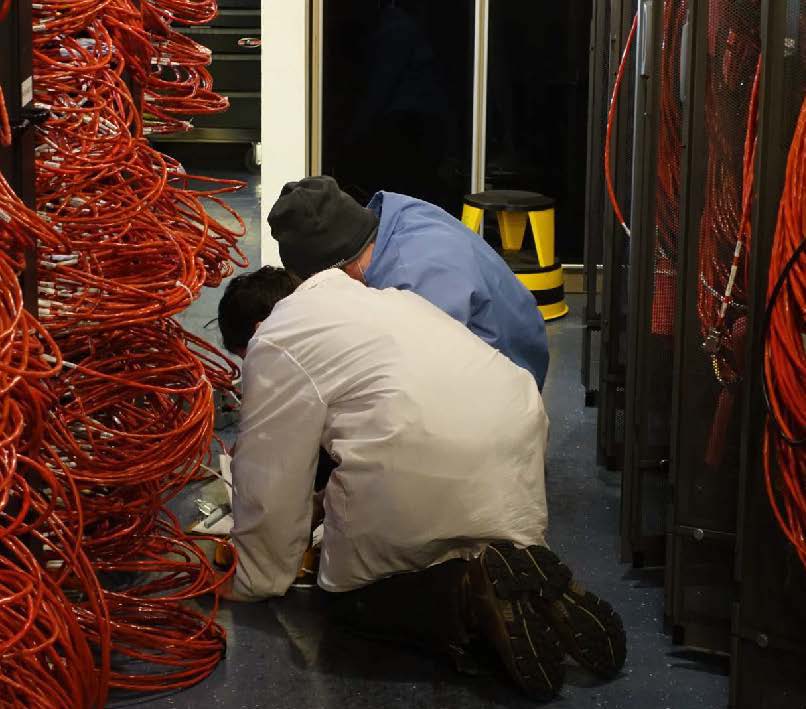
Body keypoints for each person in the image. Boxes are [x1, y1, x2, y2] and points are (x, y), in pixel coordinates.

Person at [216, 265, 625, 701]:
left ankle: (469, 599)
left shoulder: (275, 338)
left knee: (350, 600)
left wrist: (252, 578)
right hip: (514, 423)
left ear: (256, 329)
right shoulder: (376, 300)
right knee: (467, 546)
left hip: (425, 445)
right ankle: (524, 589)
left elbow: (270, 479)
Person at [267, 175, 550, 391]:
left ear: (341, 268)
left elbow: (419, 386)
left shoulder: (414, 286)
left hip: (507, 387)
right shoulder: (397, 213)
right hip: (520, 345)